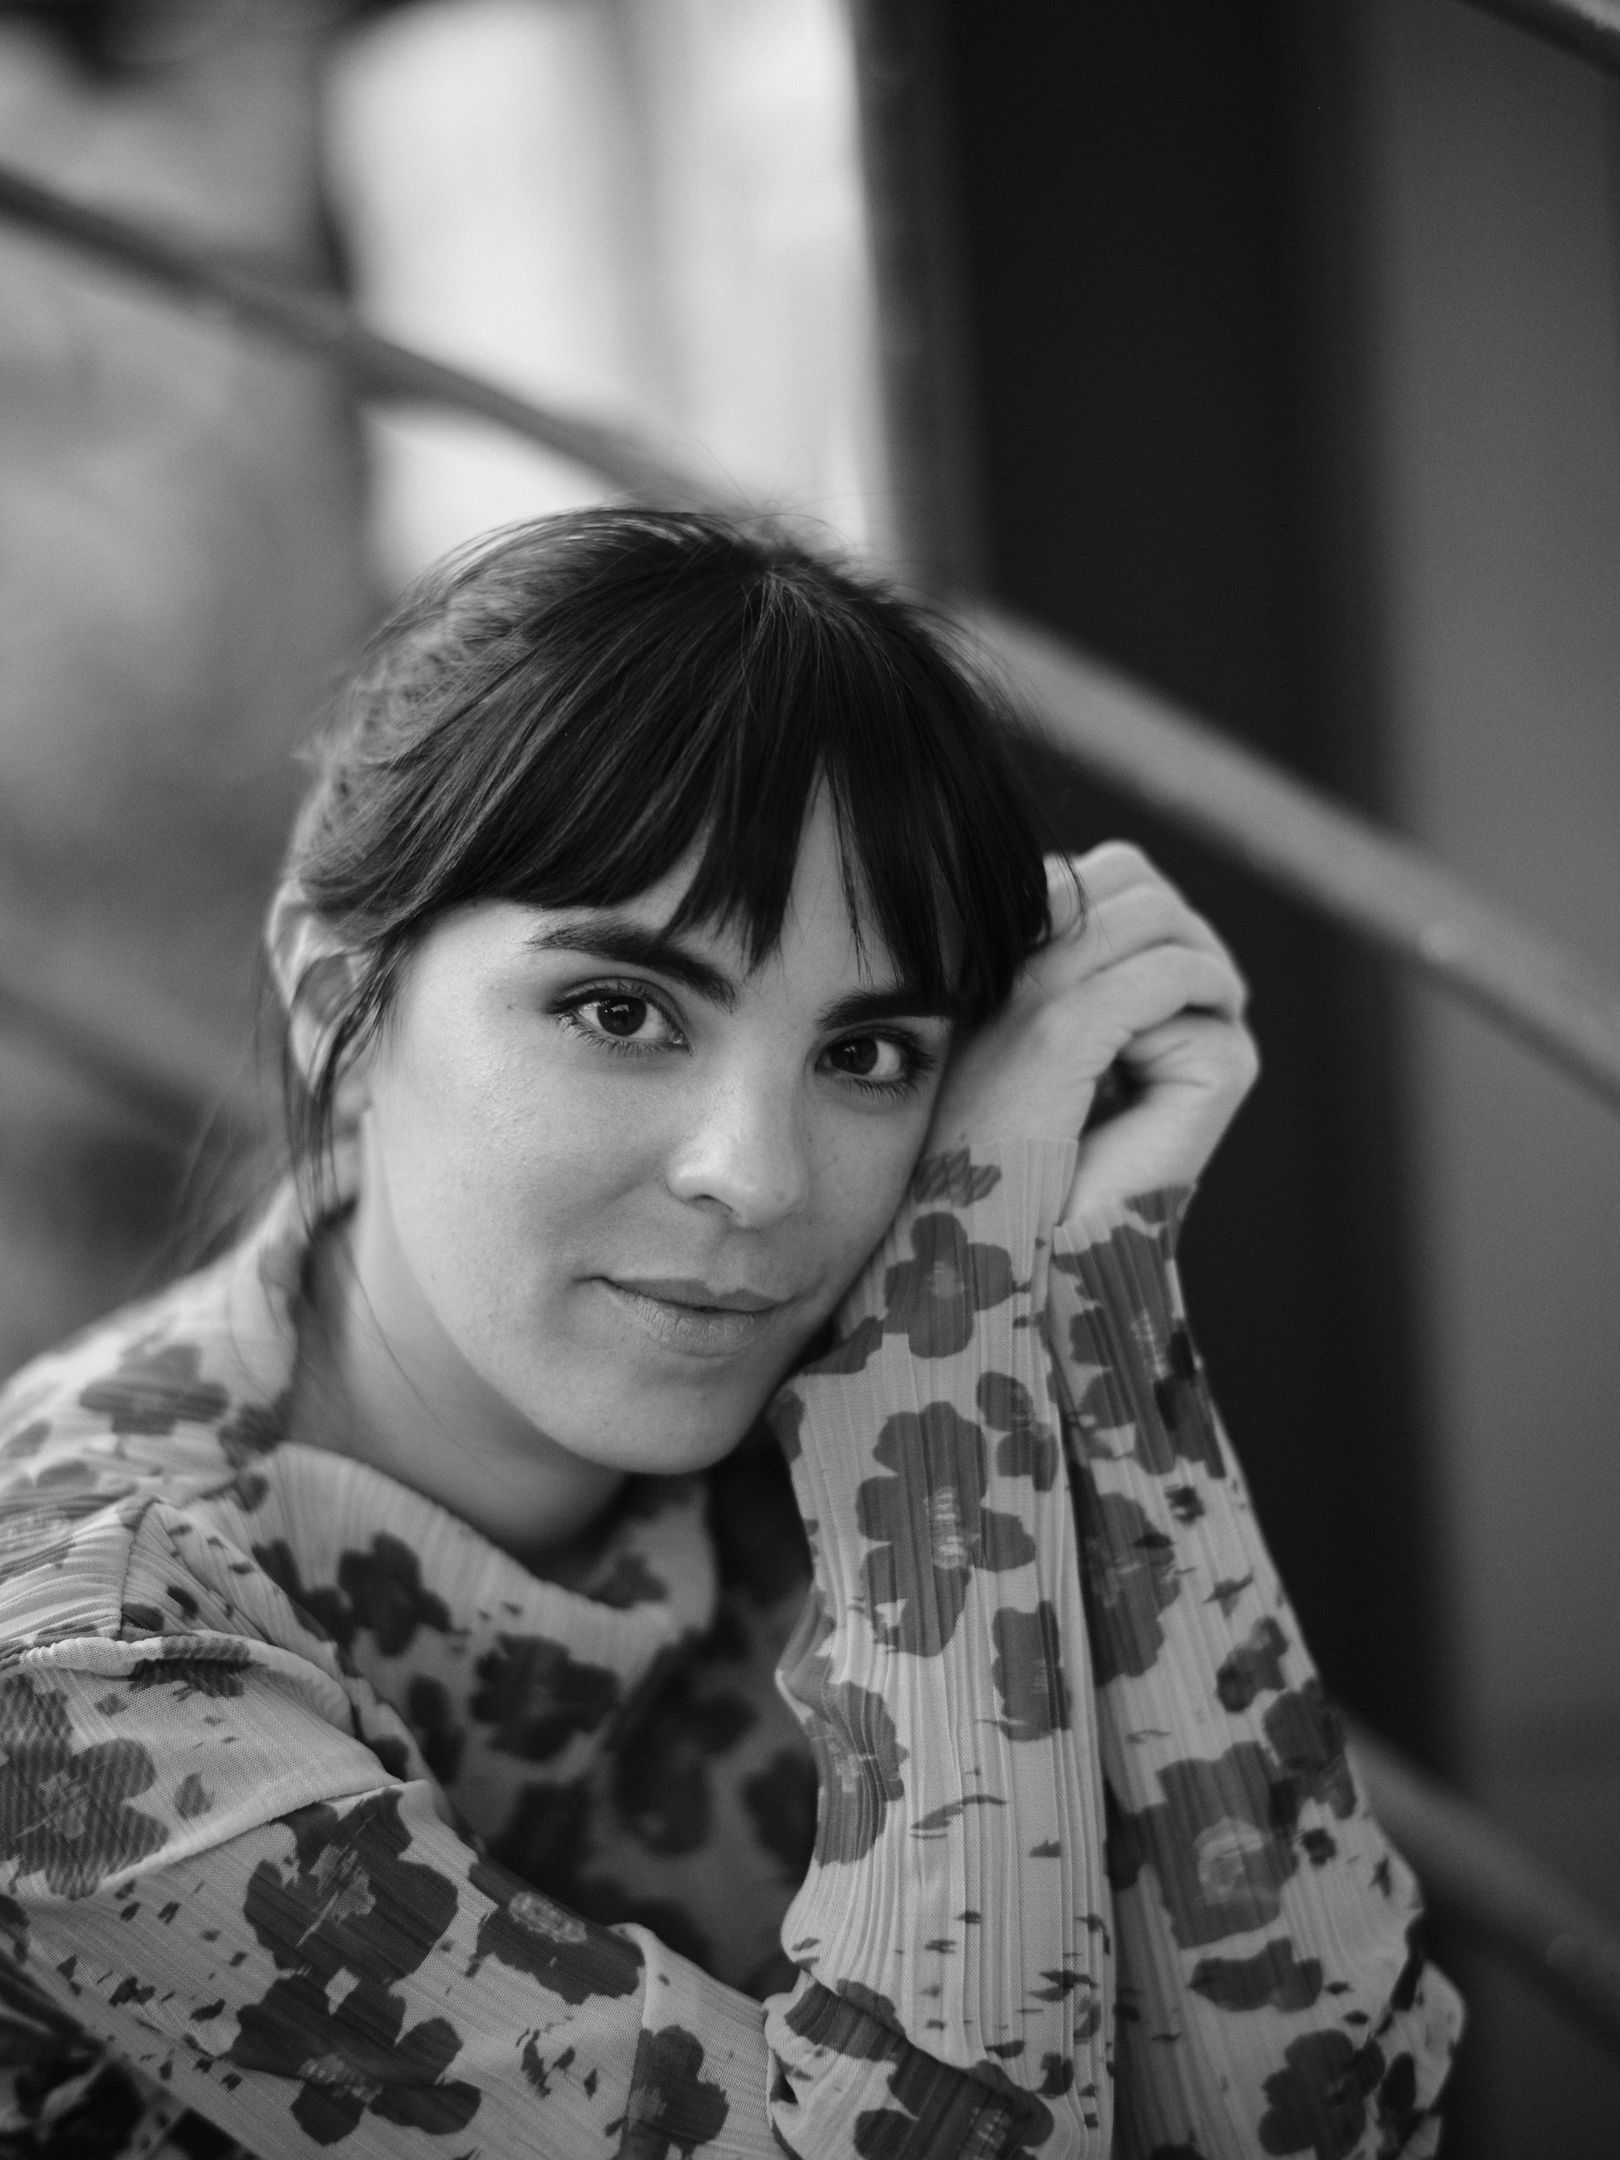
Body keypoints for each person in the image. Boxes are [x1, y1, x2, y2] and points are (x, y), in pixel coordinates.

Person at [0, 510, 1459, 2160]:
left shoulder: (877, 1378)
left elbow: (1334, 2115)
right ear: (343, 1006)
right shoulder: (76, 1676)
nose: (757, 1179)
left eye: (867, 1055)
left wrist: (1081, 1283)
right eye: (622, 1011)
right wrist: (932, 1419)